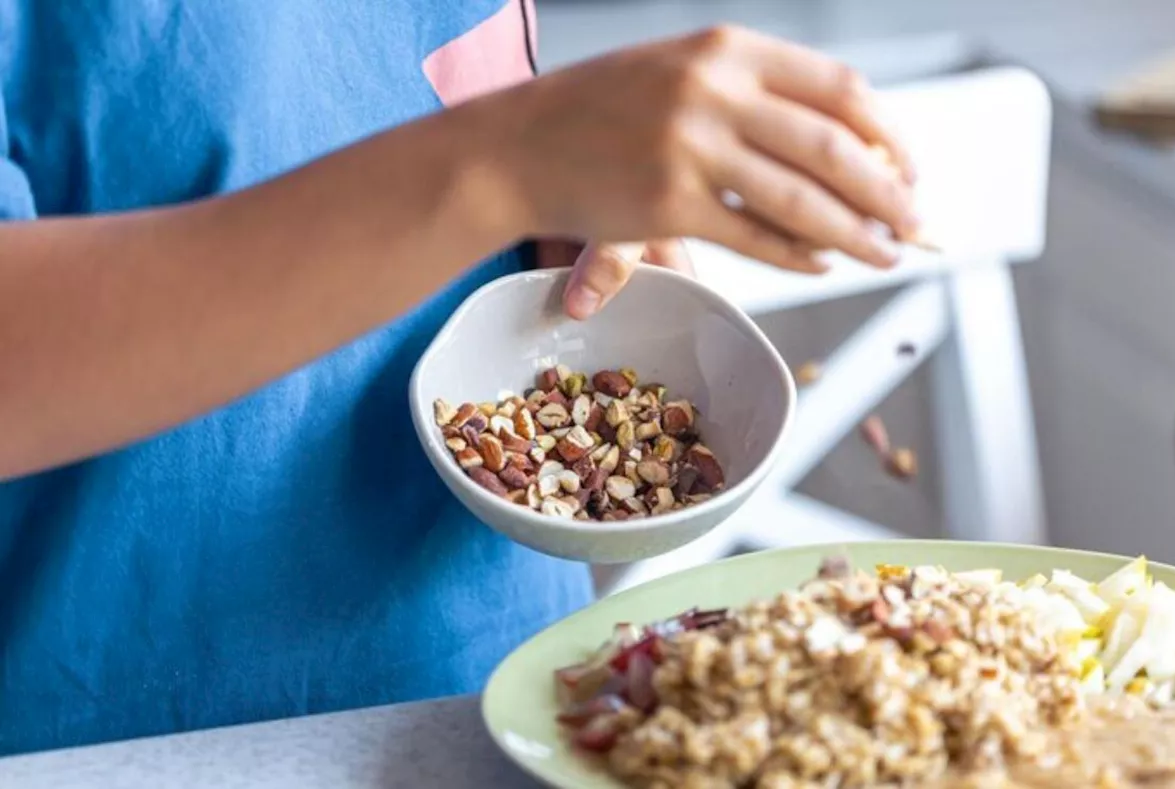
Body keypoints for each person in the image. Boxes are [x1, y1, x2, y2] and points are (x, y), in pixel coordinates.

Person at [0, 0, 919, 756]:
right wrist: (506, 158)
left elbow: (417, 68)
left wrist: (553, 189)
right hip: (120, 733)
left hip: (502, 701)